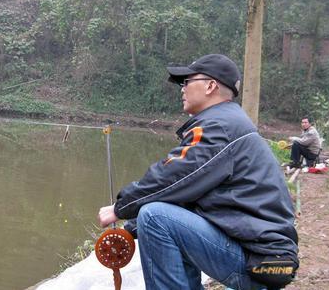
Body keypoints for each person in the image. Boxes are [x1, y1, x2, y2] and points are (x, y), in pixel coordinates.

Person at [97, 54, 299, 290]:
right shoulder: (228, 121)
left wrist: (120, 208)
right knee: (160, 217)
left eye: (187, 82)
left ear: (211, 86)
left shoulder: (218, 127)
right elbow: (187, 195)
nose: (182, 89)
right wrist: (131, 228)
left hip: (261, 260)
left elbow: (173, 177)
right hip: (266, 257)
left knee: (155, 217)